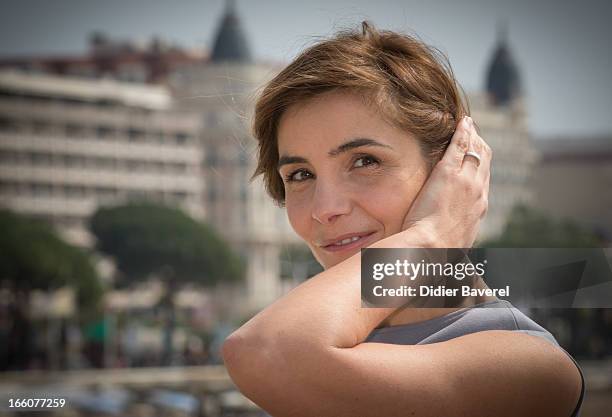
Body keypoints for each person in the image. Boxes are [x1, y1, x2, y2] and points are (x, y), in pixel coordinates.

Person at [222, 22, 584, 417]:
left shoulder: (526, 365)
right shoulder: (327, 339)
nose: (325, 208)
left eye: (365, 162)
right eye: (300, 175)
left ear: (450, 169)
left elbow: (265, 352)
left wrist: (430, 236)